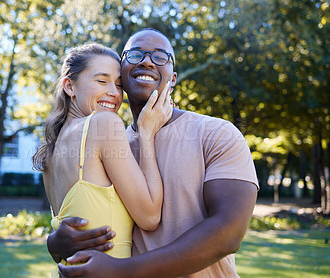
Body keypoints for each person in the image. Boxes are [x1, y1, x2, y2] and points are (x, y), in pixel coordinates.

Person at [51, 29, 259, 278]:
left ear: (173, 79)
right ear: (124, 73)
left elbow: (229, 232)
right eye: (135, 54)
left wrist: (122, 271)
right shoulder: (107, 141)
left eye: (161, 57)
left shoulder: (216, 133)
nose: (147, 61)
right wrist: (56, 242)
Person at [32, 43, 173, 277]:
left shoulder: (51, 150)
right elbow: (149, 217)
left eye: (119, 84)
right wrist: (146, 133)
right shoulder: (103, 124)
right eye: (101, 81)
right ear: (69, 86)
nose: (115, 93)